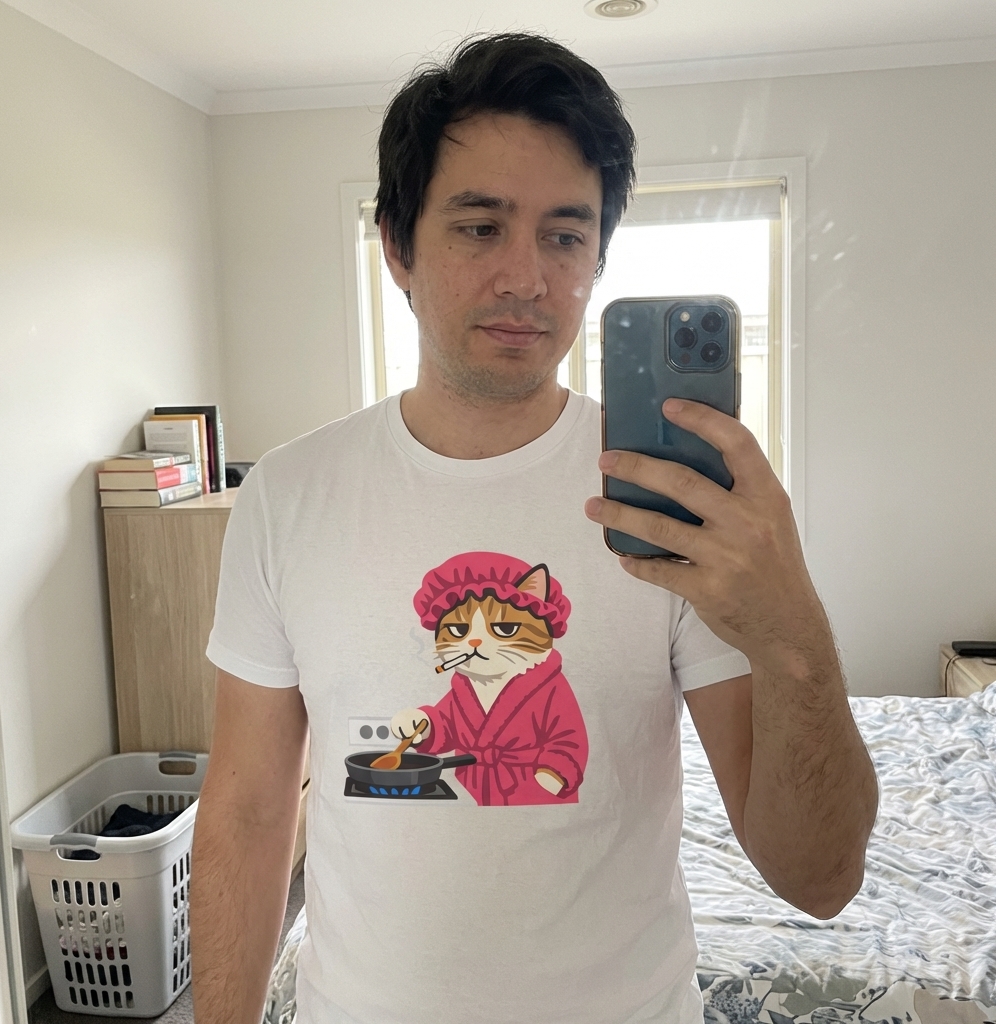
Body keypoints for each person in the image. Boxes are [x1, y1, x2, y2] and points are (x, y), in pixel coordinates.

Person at [190, 32, 878, 1024]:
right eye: (480, 227)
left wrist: (794, 631)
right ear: (397, 247)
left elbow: (819, 879)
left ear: (597, 257)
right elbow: (250, 811)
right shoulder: (287, 497)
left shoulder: (673, 504)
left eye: (564, 235)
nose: (526, 277)